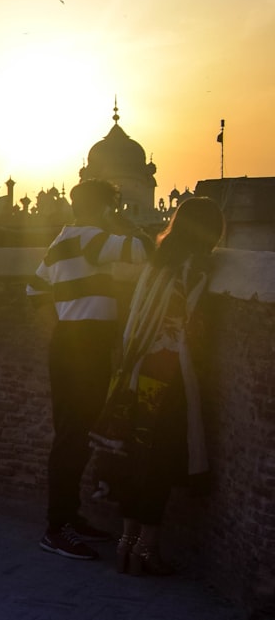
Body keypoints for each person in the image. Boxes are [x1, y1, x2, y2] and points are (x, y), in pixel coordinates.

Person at [89, 196, 225, 575]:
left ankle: (125, 546)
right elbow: (192, 326)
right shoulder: (195, 269)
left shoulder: (157, 264)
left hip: (139, 371)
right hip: (169, 376)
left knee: (139, 459)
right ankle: (146, 550)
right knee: (159, 465)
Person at [27, 179, 153, 560]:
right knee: (72, 436)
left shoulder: (62, 240)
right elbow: (145, 249)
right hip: (84, 349)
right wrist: (126, 223)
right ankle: (57, 527)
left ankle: (69, 518)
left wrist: (64, 326)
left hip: (70, 343)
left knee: (75, 434)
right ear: (103, 208)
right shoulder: (91, 238)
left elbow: (34, 290)